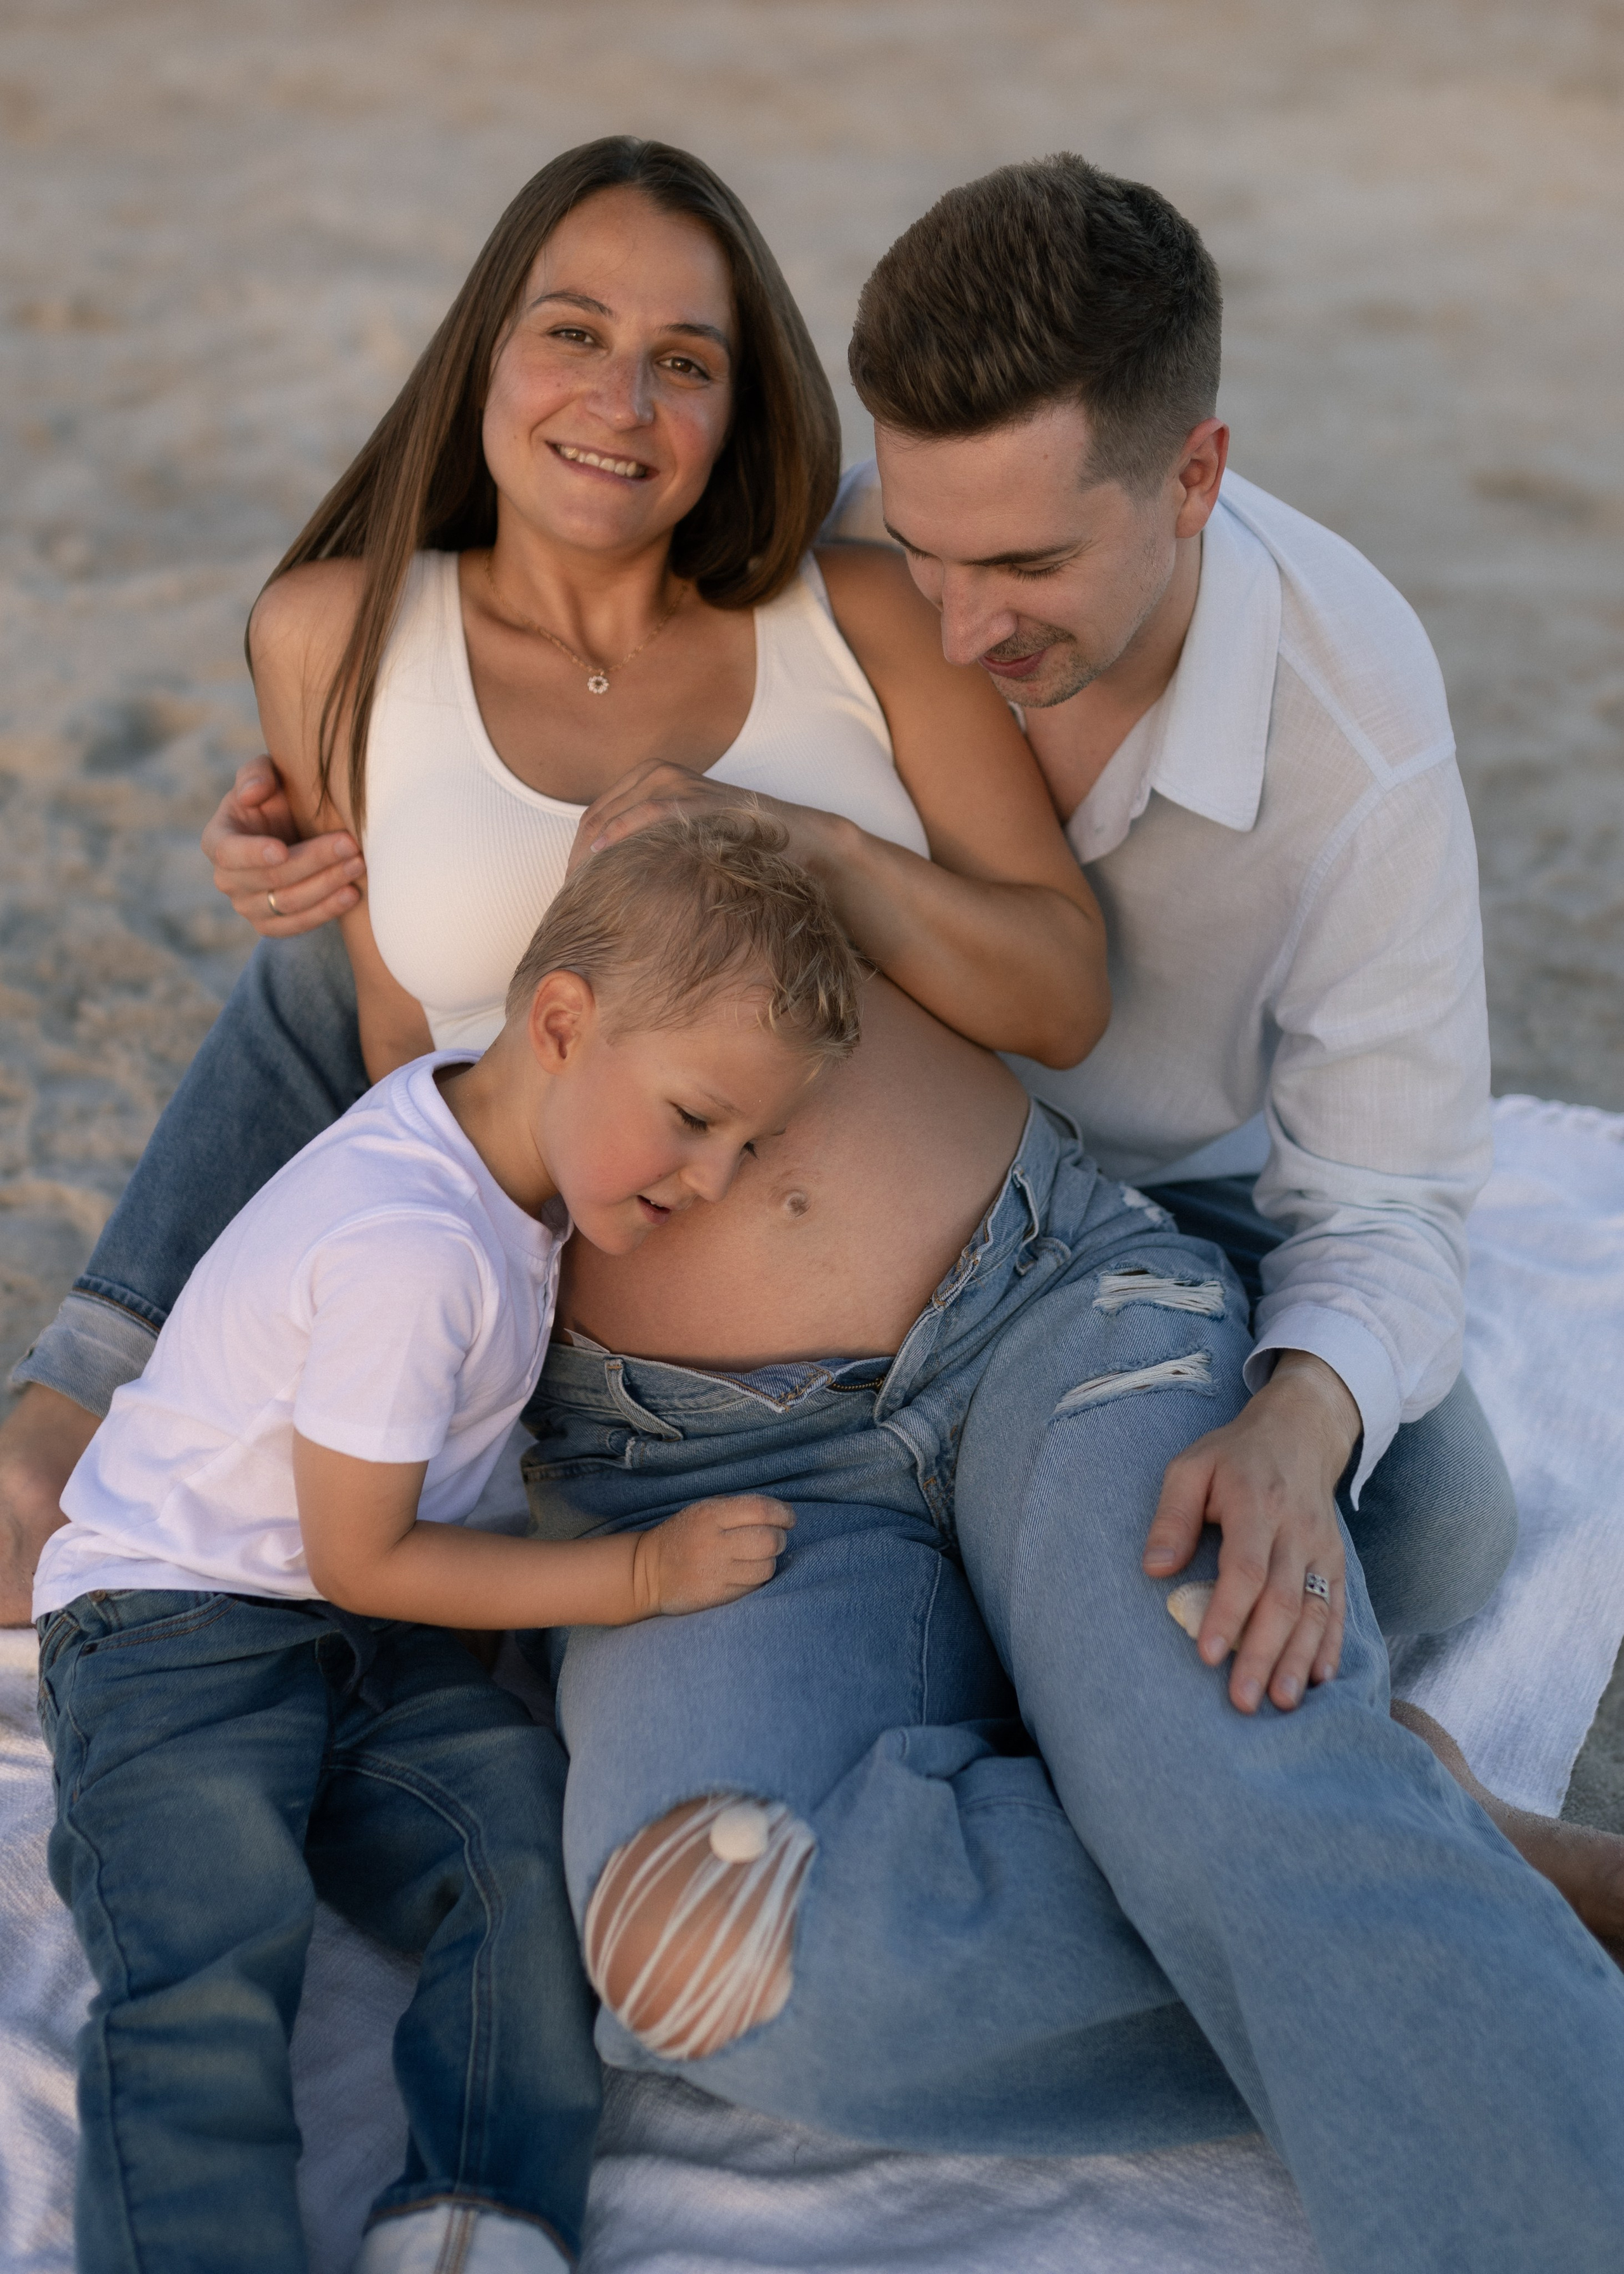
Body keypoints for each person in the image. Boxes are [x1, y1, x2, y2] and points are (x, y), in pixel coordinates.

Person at [4, 134, 1622, 2273]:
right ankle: (1397, 1846)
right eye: (572, 334)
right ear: (482, 350)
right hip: (710, 1453)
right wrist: (104, 1361)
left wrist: (775, 835)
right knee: (711, 1965)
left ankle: (1351, 1903)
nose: (625, 397)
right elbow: (359, 1045)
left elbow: (1139, 1028)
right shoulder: (348, 638)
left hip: (1045, 1303)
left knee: (1282, 1689)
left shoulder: (869, 601)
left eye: (687, 354)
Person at [34, 812, 858, 2274]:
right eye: (692, 1116)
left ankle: (473, 2215)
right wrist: (638, 1576)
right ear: (557, 1022)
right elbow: (364, 1554)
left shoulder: (508, 1154)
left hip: (367, 1641)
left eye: (747, 1142)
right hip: (177, 1623)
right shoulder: (410, 1237)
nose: (713, 1178)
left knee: (520, 1845)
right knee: (208, 1963)